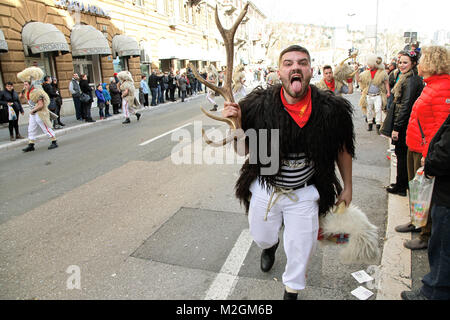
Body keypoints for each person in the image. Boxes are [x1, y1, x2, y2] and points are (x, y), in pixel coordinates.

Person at [222, 45, 354, 300]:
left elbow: (343, 148)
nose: (295, 67)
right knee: (262, 236)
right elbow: (242, 151)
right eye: (288, 63)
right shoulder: (258, 107)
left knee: (302, 246)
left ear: (310, 70)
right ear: (279, 72)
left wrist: (347, 186)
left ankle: (291, 290)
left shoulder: (330, 109)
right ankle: (270, 246)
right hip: (265, 187)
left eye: (302, 63)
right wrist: (236, 125)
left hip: (304, 193)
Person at [395, 46, 449, 250]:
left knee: (427, 193)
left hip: (424, 149)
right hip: (415, 145)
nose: (419, 62)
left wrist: (429, 154)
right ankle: (417, 222)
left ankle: (426, 234)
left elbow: (441, 126)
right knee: (416, 190)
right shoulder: (431, 84)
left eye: (423, 58)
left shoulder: (443, 87)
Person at [401, 114, 450, 300]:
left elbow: (445, 153)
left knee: (443, 247)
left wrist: (430, 164)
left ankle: (434, 293)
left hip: (446, 194)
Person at [381, 50, 423, 198]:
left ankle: (401, 186)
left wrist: (397, 128)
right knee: (401, 155)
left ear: (413, 64)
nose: (401, 65)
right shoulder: (407, 77)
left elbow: (406, 105)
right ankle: (400, 183)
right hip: (405, 122)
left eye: (405, 62)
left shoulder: (410, 80)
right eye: (400, 62)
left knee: (401, 155)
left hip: (404, 125)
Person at [17, 67, 58, 151]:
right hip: (33, 113)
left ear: (30, 84)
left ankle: (54, 141)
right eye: (24, 84)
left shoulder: (37, 91)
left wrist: (33, 110)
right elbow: (20, 97)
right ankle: (31, 144)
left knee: (45, 127)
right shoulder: (27, 91)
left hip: (40, 112)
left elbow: (40, 104)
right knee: (31, 128)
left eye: (26, 84)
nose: (24, 86)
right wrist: (23, 90)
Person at [358, 55, 391, 134]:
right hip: (368, 95)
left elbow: (386, 82)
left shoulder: (382, 73)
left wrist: (388, 92)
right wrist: (356, 71)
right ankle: (370, 123)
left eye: (371, 64)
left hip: (378, 95)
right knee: (369, 110)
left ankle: (378, 126)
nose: (369, 66)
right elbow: (359, 80)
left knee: (378, 110)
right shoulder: (365, 73)